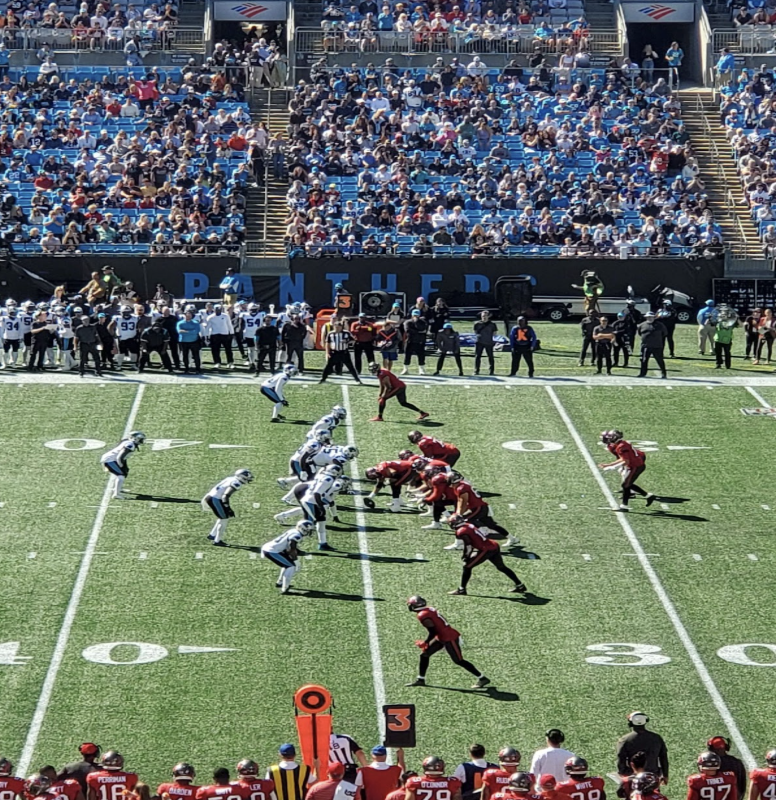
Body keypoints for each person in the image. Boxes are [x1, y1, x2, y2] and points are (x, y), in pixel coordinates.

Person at [405, 595, 490, 688]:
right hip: (441, 635)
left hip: (449, 637)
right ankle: (420, 679)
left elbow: (432, 631)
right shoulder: (429, 609)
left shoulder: (422, 615)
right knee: (425, 655)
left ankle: (482, 678)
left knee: (458, 661)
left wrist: (426, 642)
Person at [446, 515, 526, 596]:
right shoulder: (468, 525)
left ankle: (461, 589)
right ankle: (520, 585)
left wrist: (466, 556)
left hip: (486, 549)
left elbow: (469, 546)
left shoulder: (461, 531)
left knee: (467, 566)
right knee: (502, 567)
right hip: (493, 545)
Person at [599, 432, 656, 512]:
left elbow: (626, 461)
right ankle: (648, 496)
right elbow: (623, 459)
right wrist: (609, 465)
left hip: (636, 466)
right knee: (626, 485)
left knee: (626, 485)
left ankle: (625, 506)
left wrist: (613, 467)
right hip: (635, 465)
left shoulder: (621, 446)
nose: (609, 439)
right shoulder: (621, 444)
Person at [201, 469, 255, 546]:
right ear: (242, 477)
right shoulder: (236, 483)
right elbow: (225, 496)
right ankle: (217, 541)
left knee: (222, 517)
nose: (249, 479)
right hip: (215, 499)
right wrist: (228, 508)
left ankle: (212, 535)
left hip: (211, 496)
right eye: (247, 477)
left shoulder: (230, 478)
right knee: (224, 519)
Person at [261, 521, 314, 594]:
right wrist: (296, 561)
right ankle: (284, 589)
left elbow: (290, 546)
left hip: (272, 548)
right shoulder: (297, 535)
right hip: (272, 551)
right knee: (291, 566)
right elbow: (291, 549)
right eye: (307, 530)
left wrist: (298, 552)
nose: (308, 532)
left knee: (287, 564)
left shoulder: (294, 531)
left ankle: (280, 582)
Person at [616, 712, 668, 782]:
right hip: (653, 777)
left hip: (633, 777)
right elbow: (663, 757)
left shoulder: (625, 740)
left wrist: (623, 773)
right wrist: (665, 775)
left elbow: (620, 758)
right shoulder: (656, 738)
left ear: (631, 723)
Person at [100, 431, 145, 499]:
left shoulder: (127, 441)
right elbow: (119, 457)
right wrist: (121, 466)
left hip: (112, 459)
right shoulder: (130, 445)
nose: (142, 441)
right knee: (121, 475)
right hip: (109, 460)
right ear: (136, 439)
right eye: (140, 439)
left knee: (124, 472)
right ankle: (116, 494)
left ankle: (118, 488)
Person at [636, 312, 667, 379]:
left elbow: (664, 334)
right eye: (648, 317)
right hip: (645, 346)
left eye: (651, 317)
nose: (650, 318)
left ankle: (664, 373)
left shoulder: (660, 325)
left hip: (657, 346)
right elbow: (639, 333)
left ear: (654, 317)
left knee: (660, 360)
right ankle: (642, 373)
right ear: (646, 317)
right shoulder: (642, 325)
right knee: (644, 360)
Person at [206, 304, 235, 369]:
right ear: (214, 310)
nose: (218, 311)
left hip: (225, 334)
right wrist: (207, 336)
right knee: (215, 350)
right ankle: (217, 362)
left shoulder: (225, 316)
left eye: (219, 309)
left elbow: (229, 325)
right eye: (216, 309)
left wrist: (232, 333)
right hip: (215, 335)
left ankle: (230, 362)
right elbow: (208, 327)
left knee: (228, 349)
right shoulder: (210, 317)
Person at [402, 309, 428, 376]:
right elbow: (408, 330)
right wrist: (418, 332)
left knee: (421, 356)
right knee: (407, 355)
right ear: (412, 315)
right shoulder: (407, 322)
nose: (416, 316)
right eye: (414, 315)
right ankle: (405, 369)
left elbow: (424, 329)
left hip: (420, 341)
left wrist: (416, 323)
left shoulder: (423, 322)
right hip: (410, 341)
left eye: (417, 315)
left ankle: (421, 369)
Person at [177, 309, 202, 374]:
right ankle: (186, 368)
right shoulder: (180, 323)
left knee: (196, 355)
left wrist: (185, 331)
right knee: (185, 355)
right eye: (187, 314)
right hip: (183, 341)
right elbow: (179, 331)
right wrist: (191, 331)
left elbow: (196, 331)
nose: (188, 315)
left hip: (194, 341)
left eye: (190, 314)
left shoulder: (196, 323)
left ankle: (198, 369)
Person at [473, 311, 497, 375]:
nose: (484, 317)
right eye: (483, 316)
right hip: (479, 342)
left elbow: (494, 333)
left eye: (485, 316)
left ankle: (491, 371)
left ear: (488, 316)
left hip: (489, 342)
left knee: (490, 357)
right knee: (478, 356)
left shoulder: (492, 324)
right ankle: (476, 370)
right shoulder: (477, 324)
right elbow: (475, 332)